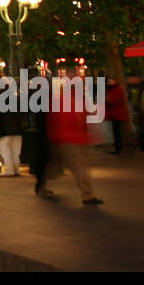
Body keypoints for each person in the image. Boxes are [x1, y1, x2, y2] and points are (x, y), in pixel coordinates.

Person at [43, 68, 103, 205]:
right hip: (69, 139)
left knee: (78, 167)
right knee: (79, 168)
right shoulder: (64, 100)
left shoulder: (73, 99)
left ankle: (87, 193)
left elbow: (84, 117)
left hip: (74, 139)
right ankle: (87, 194)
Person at [0, 82, 25, 176]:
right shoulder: (18, 98)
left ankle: (9, 170)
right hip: (18, 128)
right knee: (16, 151)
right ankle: (16, 170)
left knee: (5, 150)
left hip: (4, 129)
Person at [105, 78, 129, 154]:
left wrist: (108, 100)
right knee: (116, 131)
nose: (109, 82)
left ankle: (118, 148)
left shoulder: (116, 90)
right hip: (115, 113)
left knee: (116, 132)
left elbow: (114, 100)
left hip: (116, 114)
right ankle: (117, 147)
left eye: (110, 81)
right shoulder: (115, 89)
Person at [127, 75, 144, 153]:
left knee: (140, 129)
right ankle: (143, 146)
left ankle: (143, 147)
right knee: (140, 129)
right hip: (139, 112)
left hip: (138, 111)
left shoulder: (137, 88)